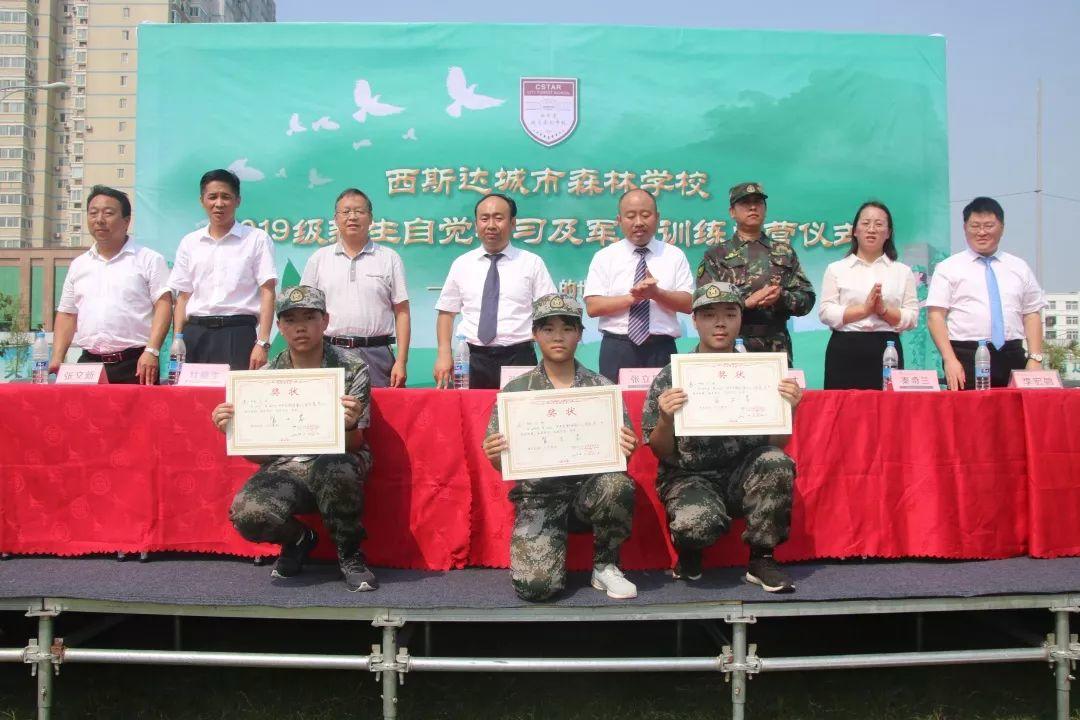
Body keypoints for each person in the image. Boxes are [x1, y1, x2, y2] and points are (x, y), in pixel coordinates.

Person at [210, 285, 377, 592]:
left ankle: (350, 556)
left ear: (325, 321)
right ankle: (300, 540)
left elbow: (355, 444)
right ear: (279, 327)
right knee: (247, 514)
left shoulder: (351, 369)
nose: (300, 327)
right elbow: (258, 458)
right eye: (289, 320)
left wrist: (350, 426)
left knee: (334, 465)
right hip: (286, 467)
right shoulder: (265, 377)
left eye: (309, 317)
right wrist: (235, 431)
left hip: (340, 460)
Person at [642, 282, 802, 592]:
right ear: (695, 321)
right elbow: (659, 451)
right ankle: (688, 549)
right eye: (709, 315)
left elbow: (775, 446)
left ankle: (762, 558)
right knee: (696, 525)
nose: (720, 323)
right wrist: (665, 418)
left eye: (729, 314)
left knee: (777, 462)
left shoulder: (761, 372)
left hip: (742, 475)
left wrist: (789, 411)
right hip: (690, 477)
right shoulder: (672, 375)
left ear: (740, 318)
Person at [481, 294, 638, 601]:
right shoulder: (516, 392)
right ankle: (549, 555)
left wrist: (625, 450)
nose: (558, 336)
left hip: (587, 493)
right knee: (535, 589)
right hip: (540, 497)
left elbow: (621, 458)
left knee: (617, 483)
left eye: (567, 328)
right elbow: (505, 464)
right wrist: (495, 456)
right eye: (548, 328)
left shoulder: (602, 389)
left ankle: (606, 565)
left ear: (580, 334)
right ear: (535, 334)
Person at [50, 185, 171, 384]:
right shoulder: (79, 265)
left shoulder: (149, 259)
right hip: (88, 365)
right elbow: (67, 313)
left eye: (108, 213)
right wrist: (57, 357)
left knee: (138, 416)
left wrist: (152, 350)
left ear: (126, 221)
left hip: (136, 364)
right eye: (93, 213)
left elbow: (164, 305)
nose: (99, 220)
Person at [434, 193, 556, 389]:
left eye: (499, 218)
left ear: (512, 223)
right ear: (476, 225)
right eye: (484, 218)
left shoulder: (531, 263)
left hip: (519, 356)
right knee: (471, 416)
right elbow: (446, 313)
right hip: (470, 359)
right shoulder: (462, 264)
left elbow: (550, 313)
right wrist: (443, 354)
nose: (491, 225)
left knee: (519, 416)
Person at [926, 196, 1046, 390]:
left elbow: (1031, 314)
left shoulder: (1019, 267)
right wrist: (949, 360)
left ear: (1002, 227)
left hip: (1012, 354)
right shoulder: (948, 268)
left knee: (1013, 418)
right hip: (966, 357)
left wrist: (1035, 358)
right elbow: (935, 317)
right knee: (969, 418)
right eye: (975, 226)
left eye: (989, 226)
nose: (981, 232)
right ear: (965, 227)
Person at [695, 182, 815, 366]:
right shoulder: (716, 255)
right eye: (745, 203)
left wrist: (781, 298)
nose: (752, 207)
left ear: (765, 209)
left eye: (758, 202)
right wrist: (745, 303)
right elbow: (705, 303)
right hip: (731, 343)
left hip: (776, 345)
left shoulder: (784, 252)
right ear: (732, 212)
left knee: (777, 395)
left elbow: (806, 300)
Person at [168, 169, 277, 370]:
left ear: (238, 201)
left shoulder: (256, 239)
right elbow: (183, 297)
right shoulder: (190, 242)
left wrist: (262, 342)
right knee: (193, 398)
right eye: (212, 197)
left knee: (236, 398)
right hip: (195, 334)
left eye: (226, 197)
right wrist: (178, 339)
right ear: (202, 201)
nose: (219, 203)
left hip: (238, 333)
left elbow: (268, 292)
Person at [301, 188, 410, 388]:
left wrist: (401, 362)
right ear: (335, 218)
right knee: (330, 416)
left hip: (376, 355)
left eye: (359, 212)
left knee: (377, 416)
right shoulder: (319, 259)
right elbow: (305, 312)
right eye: (346, 212)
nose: (352, 217)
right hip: (329, 352)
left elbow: (401, 312)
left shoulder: (389, 258)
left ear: (371, 219)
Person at [583, 189, 693, 383]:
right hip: (617, 347)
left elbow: (689, 303)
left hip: (662, 348)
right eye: (630, 216)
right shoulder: (605, 257)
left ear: (657, 217)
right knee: (618, 409)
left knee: (665, 407)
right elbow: (593, 307)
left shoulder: (674, 255)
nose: (638, 222)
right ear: (619, 220)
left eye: (645, 215)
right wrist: (633, 298)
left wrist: (656, 294)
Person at [818, 201, 919, 389]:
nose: (871, 229)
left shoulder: (902, 271)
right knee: (845, 410)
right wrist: (864, 309)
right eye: (865, 223)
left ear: (888, 233)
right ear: (855, 231)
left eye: (879, 224)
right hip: (845, 348)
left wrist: (883, 311)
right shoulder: (836, 269)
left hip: (888, 349)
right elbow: (826, 312)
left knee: (887, 412)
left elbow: (911, 317)